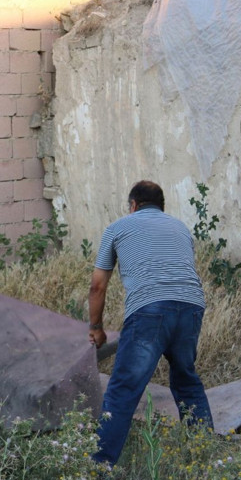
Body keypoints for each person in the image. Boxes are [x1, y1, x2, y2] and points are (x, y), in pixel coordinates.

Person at [88, 180, 213, 464]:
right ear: (161, 207)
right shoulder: (180, 228)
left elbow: (97, 286)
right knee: (187, 382)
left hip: (150, 310)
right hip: (192, 306)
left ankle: (99, 468)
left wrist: (95, 328)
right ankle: (205, 460)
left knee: (123, 388)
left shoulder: (117, 228)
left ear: (132, 205)